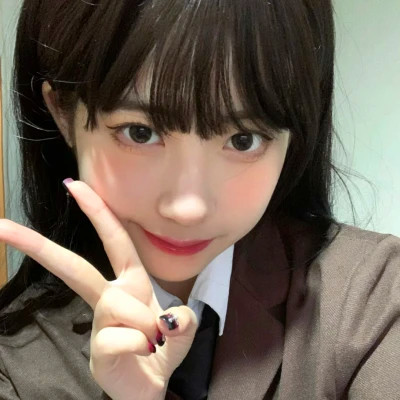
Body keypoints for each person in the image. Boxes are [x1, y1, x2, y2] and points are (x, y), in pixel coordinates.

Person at [0, 0, 399, 399]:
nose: (187, 209)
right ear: (63, 113)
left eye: (243, 140)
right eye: (140, 132)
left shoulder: (371, 303)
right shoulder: (15, 365)